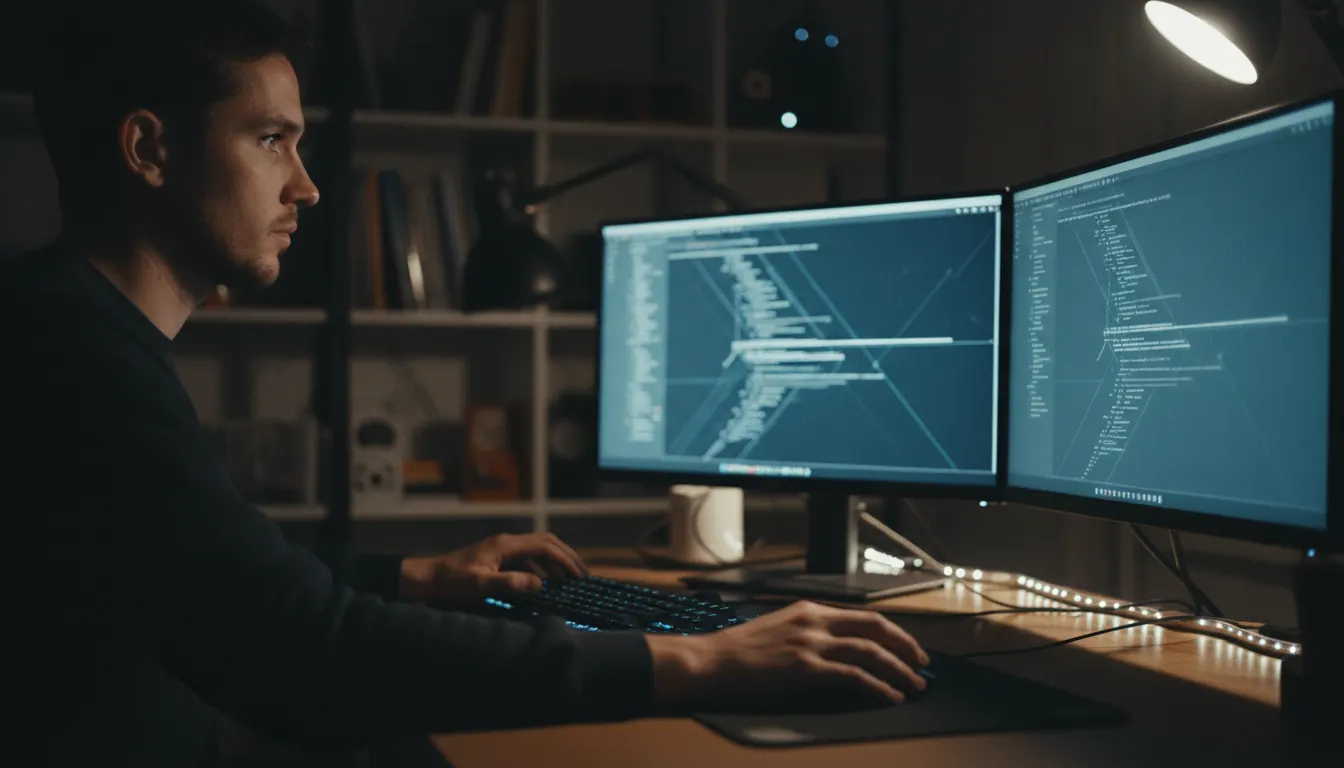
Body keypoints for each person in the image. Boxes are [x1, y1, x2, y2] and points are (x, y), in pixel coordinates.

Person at [4, 2, 929, 765]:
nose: (308, 188)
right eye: (272, 140)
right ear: (149, 150)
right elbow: (296, 654)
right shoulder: (72, 359)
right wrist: (699, 663)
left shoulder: (70, 331)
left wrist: (413, 577)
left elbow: (208, 581)